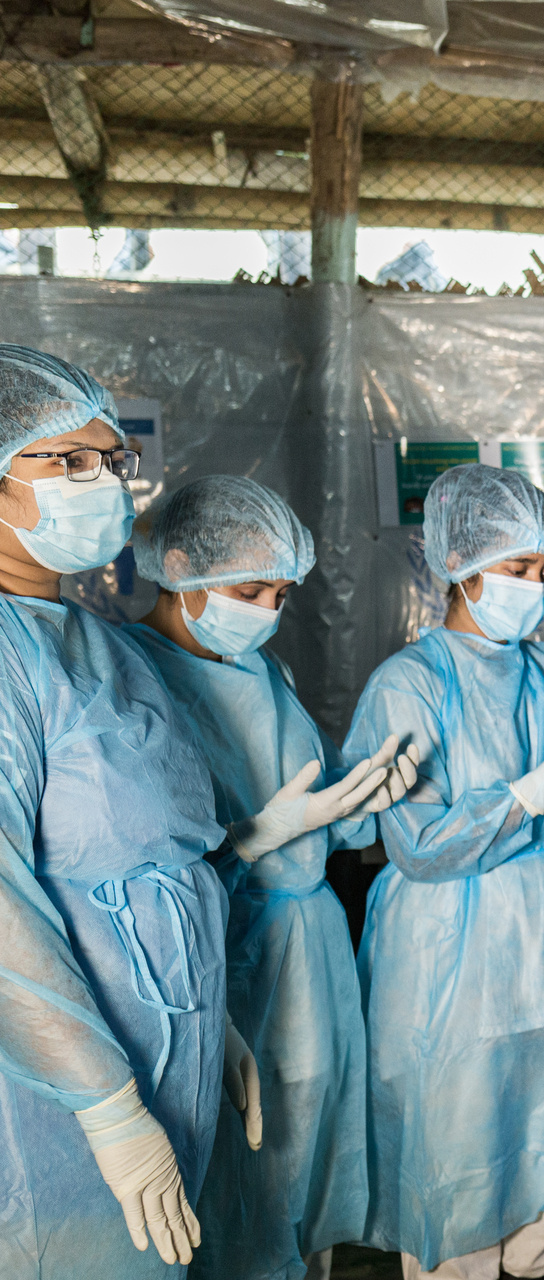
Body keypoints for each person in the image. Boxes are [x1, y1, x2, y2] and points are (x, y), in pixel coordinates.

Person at [124, 475, 417, 1280]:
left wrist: (357, 805)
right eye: (249, 589)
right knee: (235, 1181)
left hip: (310, 950)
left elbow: (307, 801)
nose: (268, 609)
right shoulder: (129, 679)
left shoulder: (267, 672)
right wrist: (253, 840)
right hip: (221, 959)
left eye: (282, 592)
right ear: (177, 566)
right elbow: (130, 873)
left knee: (308, 1163)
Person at [346, 463, 544, 1279]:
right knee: (459, 1162)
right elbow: (420, 847)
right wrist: (537, 787)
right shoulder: (407, 684)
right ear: (459, 567)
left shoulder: (541, 669)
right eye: (517, 570)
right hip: (446, 960)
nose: (537, 589)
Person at [0, 345, 244, 1276]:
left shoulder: (110, 646)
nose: (100, 481)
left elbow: (169, 847)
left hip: (169, 1036)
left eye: (109, 462)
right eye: (66, 461)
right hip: (58, 1086)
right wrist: (102, 1099)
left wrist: (210, 1010)